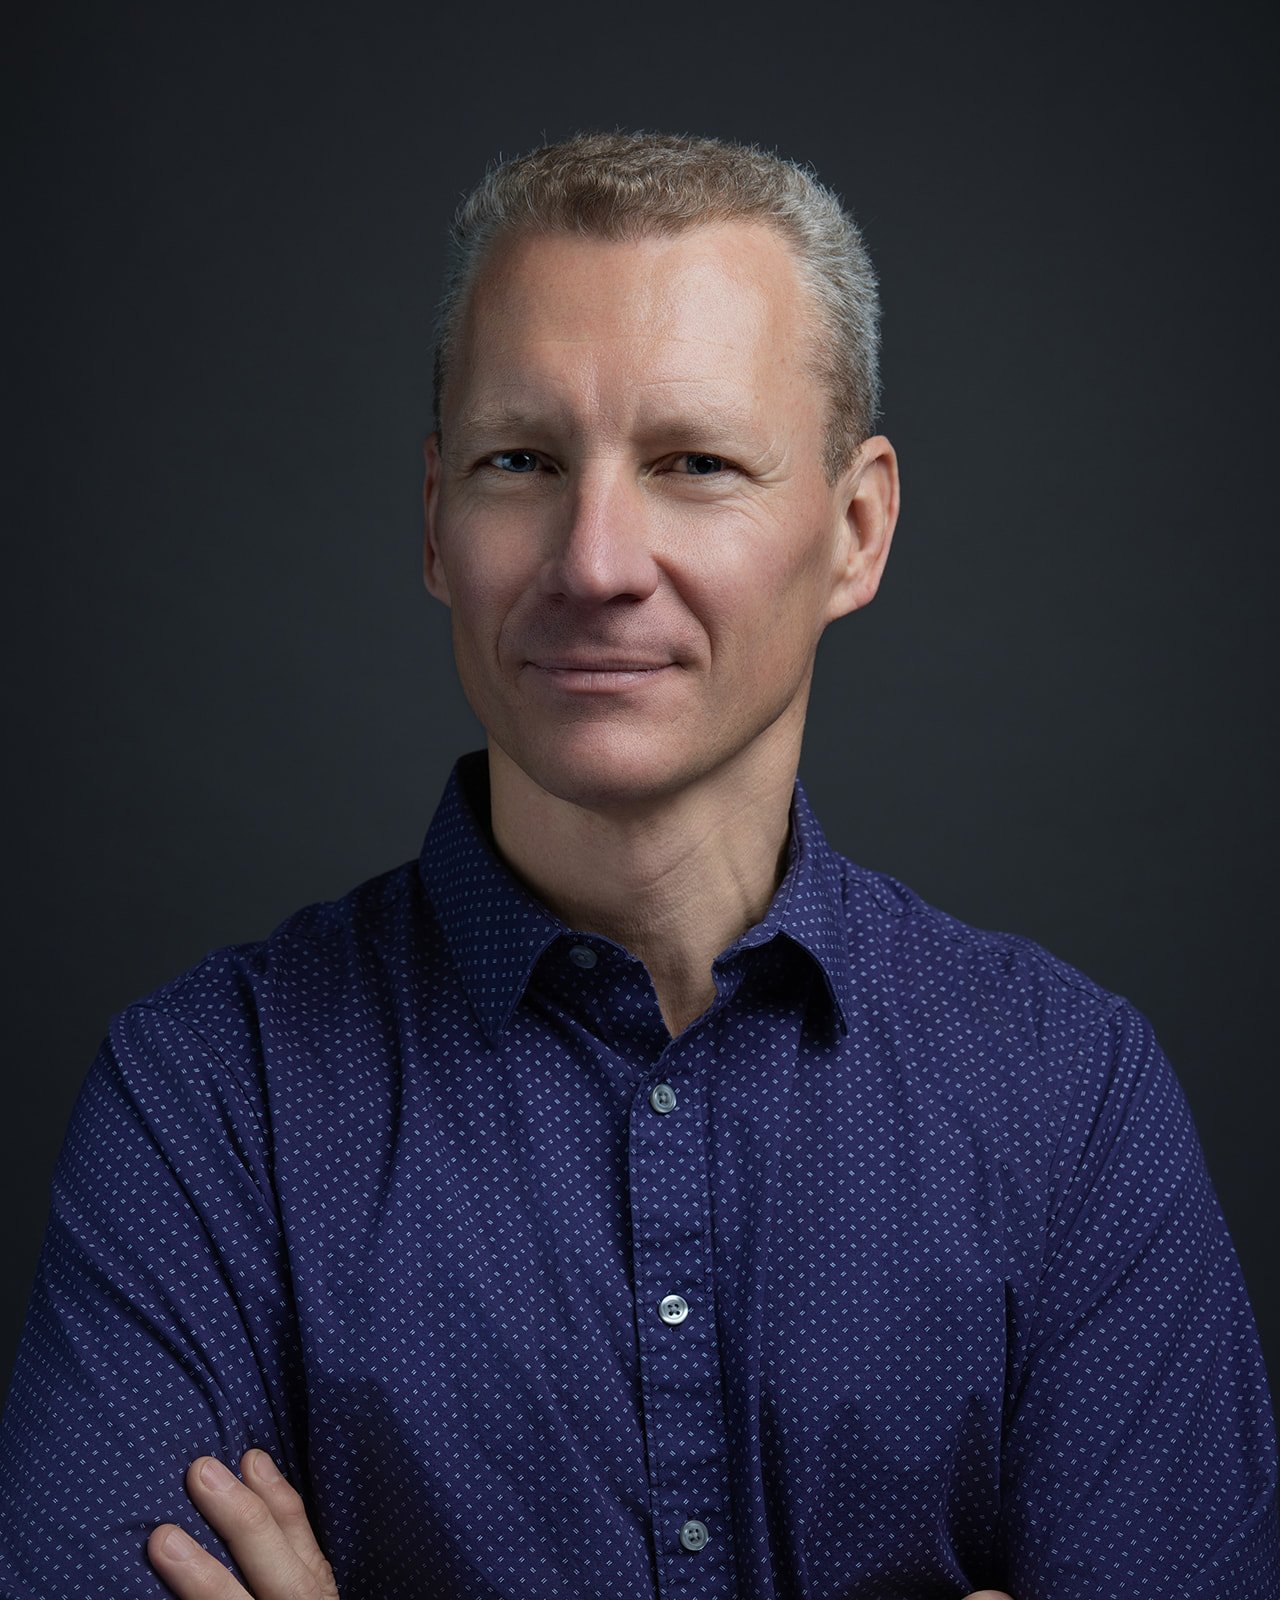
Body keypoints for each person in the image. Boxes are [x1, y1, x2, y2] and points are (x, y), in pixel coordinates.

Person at [0, 129, 1276, 1600]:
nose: (596, 560)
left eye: (695, 464)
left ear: (856, 530)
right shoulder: (206, 1106)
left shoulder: (1072, 1102)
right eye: (522, 462)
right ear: (436, 520)